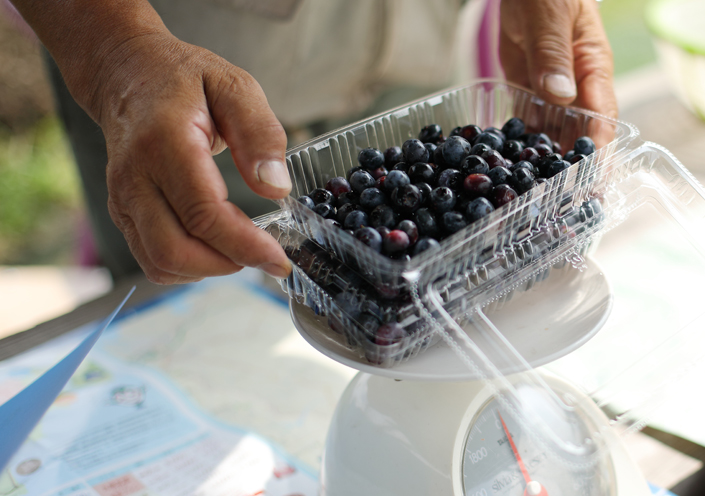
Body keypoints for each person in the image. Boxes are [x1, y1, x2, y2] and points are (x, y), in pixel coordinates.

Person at [10, 0, 615, 284]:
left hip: (412, 43)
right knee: (195, 285)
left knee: (412, 279)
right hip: (176, 76)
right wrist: (115, 51)